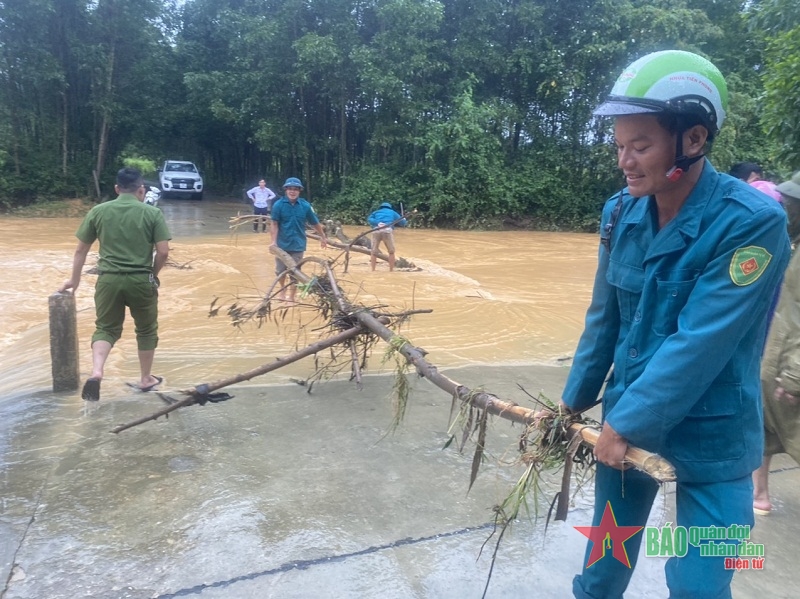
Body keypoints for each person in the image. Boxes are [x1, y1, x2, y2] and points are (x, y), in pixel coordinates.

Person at [559, 51, 789, 599]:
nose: (625, 162)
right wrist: (569, 407)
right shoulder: (620, 212)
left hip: (717, 435)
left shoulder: (754, 223)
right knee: (602, 571)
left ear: (693, 139)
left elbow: (703, 341)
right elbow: (603, 320)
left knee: (701, 584)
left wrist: (624, 424)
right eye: (619, 146)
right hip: (626, 418)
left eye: (641, 146)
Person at [58, 167, 172, 401]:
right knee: (146, 330)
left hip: (108, 280)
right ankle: (146, 379)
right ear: (141, 189)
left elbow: (81, 249)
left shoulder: (99, 211)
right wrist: (153, 274)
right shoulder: (152, 213)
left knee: (106, 328)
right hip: (141, 281)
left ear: (117, 188)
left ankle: (97, 371)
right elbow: (163, 252)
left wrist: (74, 280)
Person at [753, 170, 800, 516]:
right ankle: (760, 495)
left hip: (789, 368)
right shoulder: (792, 245)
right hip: (774, 359)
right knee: (764, 430)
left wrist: (794, 374)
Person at [269, 177, 327, 303]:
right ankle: (283, 290)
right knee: (280, 270)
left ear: (299, 191)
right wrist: (273, 242)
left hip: (298, 244)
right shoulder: (278, 205)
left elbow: (315, 223)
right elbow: (274, 224)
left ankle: (292, 296)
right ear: (286, 190)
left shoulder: (305, 206)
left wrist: (323, 236)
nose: (292, 191)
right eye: (290, 188)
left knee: (295, 271)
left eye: (295, 189)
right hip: (281, 244)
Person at [367, 202, 407, 271]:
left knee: (373, 252)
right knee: (391, 252)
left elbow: (369, 219)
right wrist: (404, 220)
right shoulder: (392, 212)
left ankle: (373, 270)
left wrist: (377, 223)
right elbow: (402, 223)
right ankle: (391, 270)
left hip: (376, 230)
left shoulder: (376, 212)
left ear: (381, 207)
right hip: (387, 231)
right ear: (389, 207)